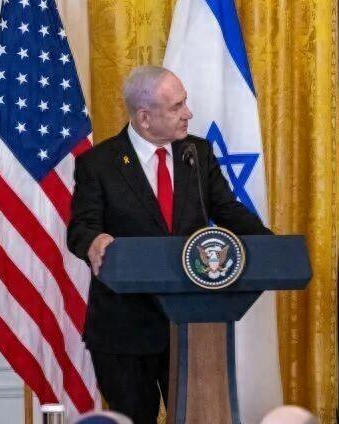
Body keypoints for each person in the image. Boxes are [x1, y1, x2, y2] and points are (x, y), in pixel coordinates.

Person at [67, 65, 272, 424]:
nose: (188, 114)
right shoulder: (99, 163)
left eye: (184, 103)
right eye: (177, 107)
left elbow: (227, 210)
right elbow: (82, 227)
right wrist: (93, 240)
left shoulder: (197, 153)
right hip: (125, 331)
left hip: (191, 325)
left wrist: (271, 247)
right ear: (144, 118)